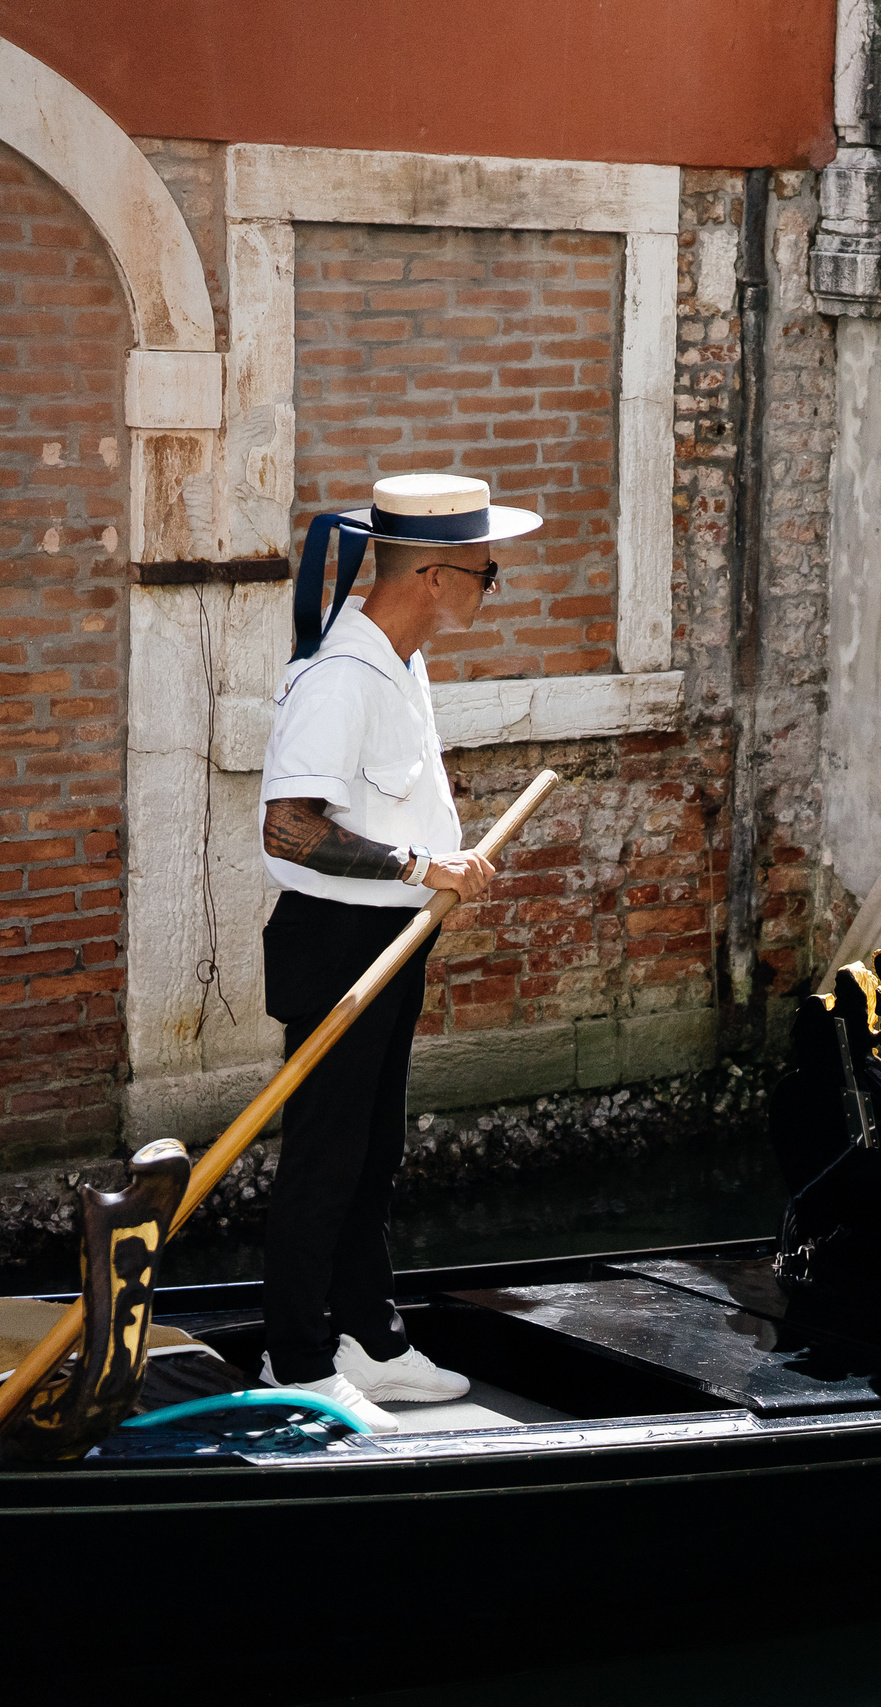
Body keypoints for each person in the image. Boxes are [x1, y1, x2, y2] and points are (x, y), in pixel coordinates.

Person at [253, 473, 536, 1431]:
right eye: (486, 573)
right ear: (436, 576)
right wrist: (423, 866)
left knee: (374, 1152)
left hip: (388, 936)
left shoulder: (400, 662)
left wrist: (430, 877)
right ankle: (294, 1352)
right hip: (335, 945)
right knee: (324, 1158)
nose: (490, 588)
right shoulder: (341, 677)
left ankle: (369, 1338)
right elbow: (287, 829)